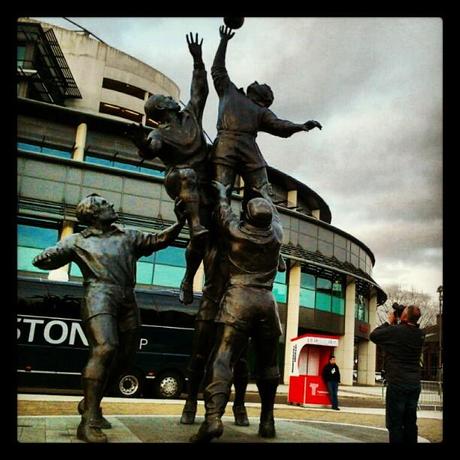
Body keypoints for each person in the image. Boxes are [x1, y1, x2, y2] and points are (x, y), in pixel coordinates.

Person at [32, 193, 185, 443]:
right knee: (105, 347)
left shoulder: (127, 235)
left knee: (126, 358)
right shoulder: (77, 241)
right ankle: (88, 421)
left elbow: (160, 239)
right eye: (104, 204)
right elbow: (50, 256)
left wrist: (179, 223)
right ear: (93, 214)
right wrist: (45, 258)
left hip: (127, 298)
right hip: (98, 294)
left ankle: (90, 403)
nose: (111, 205)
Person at [190, 180, 284, 443]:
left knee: (222, 358)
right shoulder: (277, 235)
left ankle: (212, 419)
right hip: (267, 302)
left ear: (246, 218)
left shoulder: (235, 232)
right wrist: (263, 191)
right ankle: (267, 421)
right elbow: (275, 215)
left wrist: (222, 189)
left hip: (238, 300)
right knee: (268, 365)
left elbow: (222, 208)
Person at [126, 32, 211, 306]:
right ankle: (190, 268)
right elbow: (149, 150)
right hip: (179, 180)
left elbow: (200, 90)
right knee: (187, 176)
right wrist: (140, 143)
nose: (173, 98)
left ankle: (266, 241)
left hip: (205, 180)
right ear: (162, 107)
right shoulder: (158, 134)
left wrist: (198, 61)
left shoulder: (190, 116)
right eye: (166, 97)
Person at [210, 25, 322, 208]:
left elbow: (280, 126)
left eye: (262, 85)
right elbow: (217, 69)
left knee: (260, 191)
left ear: (263, 99)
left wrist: (301, 126)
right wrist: (223, 41)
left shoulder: (256, 108)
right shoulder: (229, 91)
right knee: (221, 193)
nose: (256, 83)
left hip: (237, 150)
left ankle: (255, 221)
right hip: (230, 147)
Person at [369, 305, 425, 443]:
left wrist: (389, 321)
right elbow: (406, 331)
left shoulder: (395, 331)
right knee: (410, 422)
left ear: (404, 316)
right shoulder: (420, 334)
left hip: (397, 384)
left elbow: (374, 335)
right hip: (414, 385)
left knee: (395, 424)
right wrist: (399, 322)